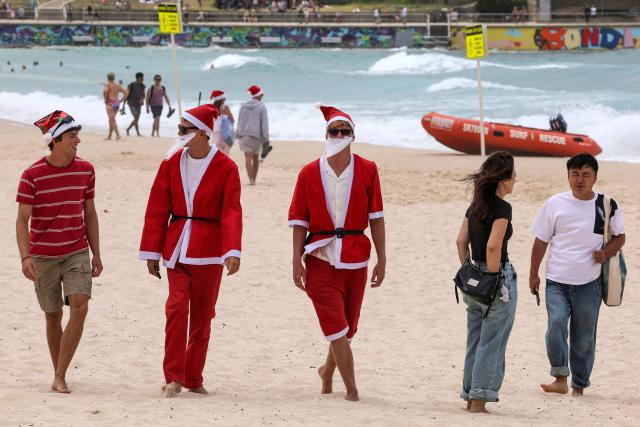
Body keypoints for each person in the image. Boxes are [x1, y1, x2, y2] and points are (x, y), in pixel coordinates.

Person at [139, 104, 242, 398]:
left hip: (209, 251)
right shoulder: (170, 164)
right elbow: (157, 209)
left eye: (185, 129)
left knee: (202, 316)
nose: (180, 134)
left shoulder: (226, 167)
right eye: (179, 129)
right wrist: (151, 252)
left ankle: (193, 377)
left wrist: (232, 249)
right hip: (177, 248)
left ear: (202, 133)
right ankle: (173, 376)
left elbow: (232, 211)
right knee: (176, 307)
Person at [289, 106, 386, 402]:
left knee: (348, 328)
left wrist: (383, 258)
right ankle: (352, 391)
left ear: (353, 135)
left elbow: (377, 217)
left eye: (345, 131)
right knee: (335, 327)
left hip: (356, 258)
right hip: (319, 259)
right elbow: (298, 220)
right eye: (335, 131)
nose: (340, 135)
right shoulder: (308, 172)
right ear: (326, 134)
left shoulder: (368, 169)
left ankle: (327, 371)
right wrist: (296, 260)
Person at [16, 110, 103, 394]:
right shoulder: (32, 175)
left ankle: (60, 375)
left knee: (81, 307)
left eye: (77, 135)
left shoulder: (86, 170)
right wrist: (25, 256)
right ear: (55, 140)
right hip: (43, 256)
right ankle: (59, 373)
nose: (78, 140)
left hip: (76, 250)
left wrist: (96, 253)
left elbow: (89, 213)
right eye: (72, 136)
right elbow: (22, 220)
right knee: (53, 315)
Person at [529, 153, 625, 396]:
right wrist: (534, 274)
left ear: (595, 178)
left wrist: (605, 253)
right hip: (556, 281)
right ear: (568, 175)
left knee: (583, 338)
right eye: (575, 174)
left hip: (589, 283)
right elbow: (541, 241)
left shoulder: (607, 204)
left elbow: (620, 237)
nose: (579, 180)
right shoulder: (555, 203)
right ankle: (560, 377)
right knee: (556, 325)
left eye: (585, 175)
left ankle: (579, 385)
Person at [455, 151, 517, 413]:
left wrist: (469, 270)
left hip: (472, 279)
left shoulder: (475, 205)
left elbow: (460, 241)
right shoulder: (503, 208)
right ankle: (479, 400)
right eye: (513, 175)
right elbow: (494, 247)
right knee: (492, 341)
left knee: (475, 339)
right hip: (495, 276)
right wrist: (494, 281)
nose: (515, 179)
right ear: (503, 179)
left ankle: (470, 395)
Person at [236, 85, 271, 185]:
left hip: (244, 135)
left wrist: (238, 133)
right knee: (255, 157)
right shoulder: (262, 106)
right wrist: (265, 137)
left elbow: (240, 120)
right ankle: (254, 180)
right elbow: (264, 123)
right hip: (256, 136)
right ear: (259, 95)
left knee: (247, 157)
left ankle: (251, 180)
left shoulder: (243, 106)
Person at [210, 90, 235, 155]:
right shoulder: (225, 107)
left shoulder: (211, 108)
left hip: (215, 135)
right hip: (225, 134)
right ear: (222, 99)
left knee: (216, 156)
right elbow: (232, 120)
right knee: (225, 157)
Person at [103, 72, 126, 140]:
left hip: (110, 102)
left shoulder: (108, 85)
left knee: (111, 119)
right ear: (114, 78)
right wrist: (121, 100)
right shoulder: (117, 85)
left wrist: (105, 99)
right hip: (116, 103)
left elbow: (105, 92)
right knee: (111, 119)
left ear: (108, 78)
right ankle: (109, 136)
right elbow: (126, 92)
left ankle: (118, 135)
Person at [121, 72, 145, 137]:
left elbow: (143, 95)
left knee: (136, 119)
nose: (143, 79)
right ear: (138, 78)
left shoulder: (142, 86)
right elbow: (126, 95)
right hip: (131, 104)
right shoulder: (131, 85)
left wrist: (142, 99)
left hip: (139, 104)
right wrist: (123, 106)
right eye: (142, 78)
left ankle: (137, 133)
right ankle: (128, 129)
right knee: (136, 118)